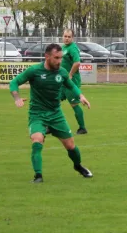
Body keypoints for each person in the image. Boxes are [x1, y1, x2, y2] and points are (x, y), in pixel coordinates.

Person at [10, 43, 93, 183]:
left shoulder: (62, 72)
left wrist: (81, 96)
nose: (60, 61)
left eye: (61, 58)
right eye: (56, 58)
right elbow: (14, 83)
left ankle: (78, 166)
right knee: (37, 140)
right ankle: (38, 176)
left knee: (71, 146)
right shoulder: (34, 71)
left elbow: (71, 85)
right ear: (47, 56)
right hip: (37, 114)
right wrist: (17, 98)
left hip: (56, 114)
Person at [60, 29, 87, 134]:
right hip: (61, 81)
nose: (66, 38)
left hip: (71, 81)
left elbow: (77, 63)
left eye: (69, 37)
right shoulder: (63, 48)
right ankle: (51, 125)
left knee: (74, 104)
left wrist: (70, 74)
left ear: (72, 38)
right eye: (65, 36)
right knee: (53, 101)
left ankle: (82, 128)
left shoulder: (73, 48)